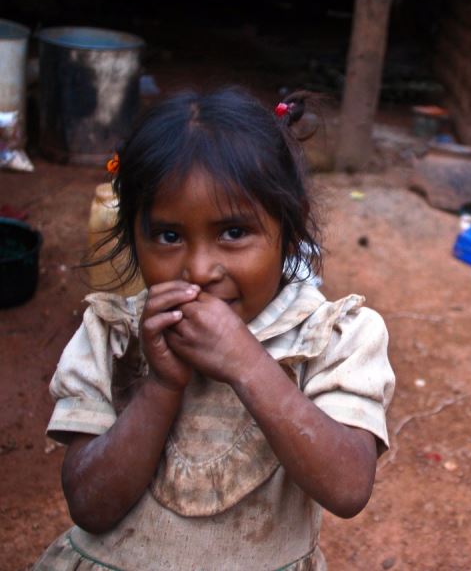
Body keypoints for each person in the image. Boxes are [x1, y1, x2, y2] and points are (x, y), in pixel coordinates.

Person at [34, 87, 395, 570]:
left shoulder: (332, 337)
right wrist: (161, 386)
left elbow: (349, 487)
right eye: (168, 236)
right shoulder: (114, 333)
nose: (200, 269)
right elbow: (89, 504)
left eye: (233, 232)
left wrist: (247, 363)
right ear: (133, 237)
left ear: (289, 229)